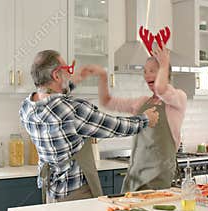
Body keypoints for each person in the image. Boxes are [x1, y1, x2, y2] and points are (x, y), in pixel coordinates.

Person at [19, 50, 159, 203]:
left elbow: (52, 101)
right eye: (67, 70)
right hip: (77, 194)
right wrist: (145, 120)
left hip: (51, 193)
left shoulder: (27, 108)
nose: (70, 74)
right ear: (56, 75)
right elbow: (115, 126)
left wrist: (73, 82)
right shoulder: (74, 110)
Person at [82, 43, 187, 192]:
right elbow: (107, 102)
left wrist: (164, 64)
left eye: (152, 70)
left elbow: (161, 89)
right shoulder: (142, 102)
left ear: (165, 72)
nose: (147, 74)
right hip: (135, 175)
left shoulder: (177, 99)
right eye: (145, 71)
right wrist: (103, 76)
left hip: (160, 177)